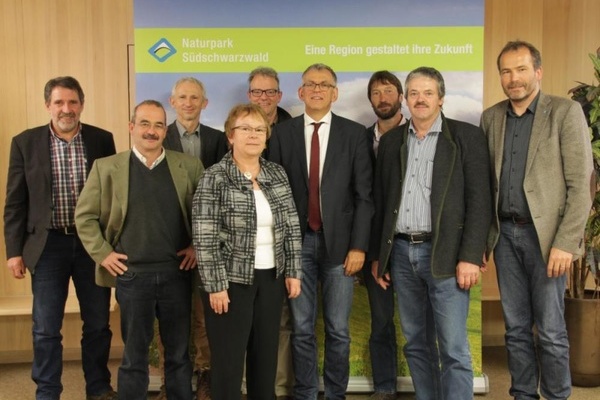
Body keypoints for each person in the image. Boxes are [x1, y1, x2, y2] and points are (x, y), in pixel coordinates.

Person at [370, 66, 492, 400]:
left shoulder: (466, 138)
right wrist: (380, 255)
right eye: (413, 93)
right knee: (416, 343)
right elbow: (381, 202)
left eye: (427, 93)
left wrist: (470, 256)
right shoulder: (393, 141)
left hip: (447, 255)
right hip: (401, 253)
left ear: (441, 98)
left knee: (453, 346)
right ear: (405, 100)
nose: (420, 99)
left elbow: (480, 201)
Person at [481, 40, 593, 400]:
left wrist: (565, 242)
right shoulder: (491, 117)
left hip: (546, 241)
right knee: (514, 328)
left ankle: (557, 396)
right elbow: (485, 186)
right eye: (506, 71)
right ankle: (523, 394)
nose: (513, 78)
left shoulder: (565, 112)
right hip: (505, 237)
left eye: (521, 69)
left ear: (538, 72)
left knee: (549, 330)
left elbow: (582, 185)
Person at [75, 100, 204, 400]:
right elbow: (84, 216)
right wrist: (103, 253)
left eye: (159, 125)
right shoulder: (107, 168)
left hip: (177, 275)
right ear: (132, 127)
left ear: (165, 130)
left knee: (178, 354)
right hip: (132, 278)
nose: (152, 131)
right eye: (145, 123)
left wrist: (197, 246)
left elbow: (207, 213)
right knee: (134, 357)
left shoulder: (189, 167)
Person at [3, 76, 117, 400]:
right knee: (45, 327)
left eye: (72, 102)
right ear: (47, 106)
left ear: (81, 104)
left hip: (92, 245)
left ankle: (98, 388)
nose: (66, 109)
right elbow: (15, 202)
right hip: (46, 246)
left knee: (97, 323)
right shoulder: (25, 143)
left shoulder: (101, 140)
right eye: (59, 102)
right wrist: (14, 251)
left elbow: (112, 196)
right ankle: (48, 391)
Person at [269, 63, 373, 400]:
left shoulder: (355, 134)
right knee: (301, 329)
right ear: (300, 92)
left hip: (341, 247)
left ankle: (336, 394)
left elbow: (364, 197)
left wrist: (359, 247)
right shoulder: (282, 135)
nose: (316, 89)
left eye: (324, 84)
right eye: (310, 84)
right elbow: (275, 193)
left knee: (339, 330)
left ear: (334, 92)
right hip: (296, 246)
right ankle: (305, 394)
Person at [192, 103, 302, 400]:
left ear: (266, 136)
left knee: (264, 359)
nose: (252, 135)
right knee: (228, 363)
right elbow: (204, 236)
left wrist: (293, 271)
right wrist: (216, 286)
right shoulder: (214, 177)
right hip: (229, 283)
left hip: (271, 278)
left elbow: (290, 225)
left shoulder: (277, 174)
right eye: (245, 129)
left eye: (259, 129)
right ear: (231, 135)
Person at [161, 76, 228, 400]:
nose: (189, 103)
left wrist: (202, 243)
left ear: (205, 103)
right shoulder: (158, 137)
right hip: (168, 244)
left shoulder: (218, 140)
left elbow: (223, 195)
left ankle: (205, 376)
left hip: (207, 243)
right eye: (182, 97)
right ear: (172, 102)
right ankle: (171, 380)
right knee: (171, 316)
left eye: (195, 97)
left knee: (204, 316)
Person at [247, 66, 294, 399]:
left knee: (281, 325)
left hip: (282, 246)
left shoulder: (293, 130)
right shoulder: (239, 127)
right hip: (246, 250)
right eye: (257, 92)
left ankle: (277, 389)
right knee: (246, 325)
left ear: (279, 95)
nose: (263, 97)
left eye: (269, 92)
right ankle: (248, 387)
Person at [363, 70, 405, 400]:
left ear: (401, 96)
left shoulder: (417, 134)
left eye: (389, 91)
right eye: (376, 93)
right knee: (381, 321)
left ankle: (431, 385)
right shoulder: (360, 139)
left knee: (423, 323)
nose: (383, 97)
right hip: (374, 244)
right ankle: (385, 386)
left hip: (411, 243)